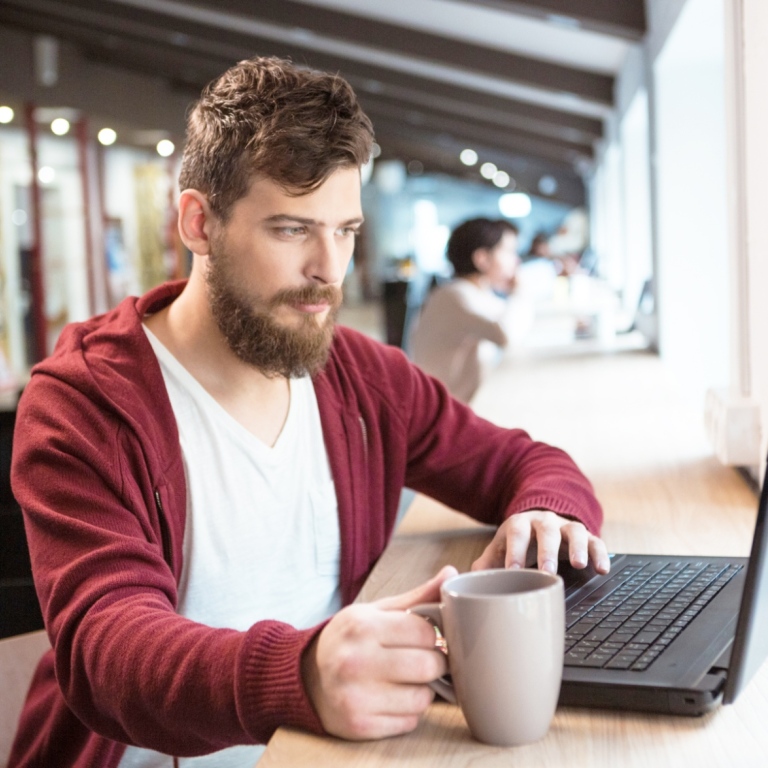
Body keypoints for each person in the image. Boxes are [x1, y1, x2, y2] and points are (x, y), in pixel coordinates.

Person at [9, 56, 609, 768]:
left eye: (346, 229)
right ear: (198, 222)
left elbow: (526, 461)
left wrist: (546, 515)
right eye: (292, 229)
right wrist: (300, 674)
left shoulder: (359, 375)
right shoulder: (84, 404)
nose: (332, 268)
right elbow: (107, 649)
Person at [409, 217, 521, 403]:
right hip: (444, 415)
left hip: (461, 406)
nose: (516, 260)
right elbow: (506, 335)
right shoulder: (454, 296)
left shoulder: (477, 293)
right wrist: (519, 292)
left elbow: (513, 325)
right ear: (482, 259)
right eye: (509, 251)